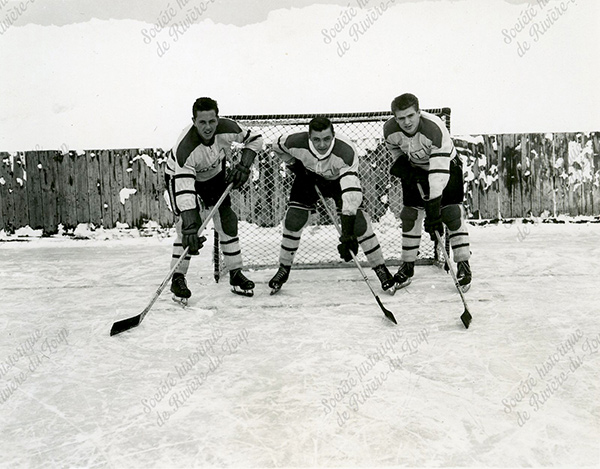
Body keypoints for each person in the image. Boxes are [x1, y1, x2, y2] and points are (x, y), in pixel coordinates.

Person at [268, 116, 395, 293]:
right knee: (293, 220)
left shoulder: (346, 152)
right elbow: (276, 146)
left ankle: (381, 268)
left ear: (334, 135)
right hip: (308, 178)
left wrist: (348, 236)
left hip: (338, 181)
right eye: (316, 139)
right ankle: (283, 268)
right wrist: (295, 165)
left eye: (327, 138)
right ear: (309, 137)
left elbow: (351, 196)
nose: (322, 144)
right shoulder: (295, 141)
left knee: (359, 224)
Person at [165, 97, 264, 300]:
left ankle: (235, 273)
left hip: (213, 174)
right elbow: (185, 191)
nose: (208, 127)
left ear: (217, 119)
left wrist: (244, 166)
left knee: (227, 220)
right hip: (181, 177)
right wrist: (192, 224)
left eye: (212, 121)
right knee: (187, 227)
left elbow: (256, 139)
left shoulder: (228, 128)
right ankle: (177, 277)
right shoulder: (186, 149)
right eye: (202, 122)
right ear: (194, 121)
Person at [384, 93, 472, 290]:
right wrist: (402, 164)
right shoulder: (389, 130)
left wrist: (433, 213)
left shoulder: (434, 128)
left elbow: (438, 176)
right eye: (401, 118)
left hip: (446, 167)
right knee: (410, 215)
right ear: (394, 117)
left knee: (451, 214)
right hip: (416, 170)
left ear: (419, 112)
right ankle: (407, 266)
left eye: (410, 116)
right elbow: (394, 148)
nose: (406, 122)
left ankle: (463, 264)